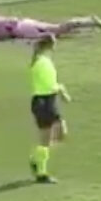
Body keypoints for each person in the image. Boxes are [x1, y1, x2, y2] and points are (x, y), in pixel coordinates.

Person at [28, 36, 71, 184]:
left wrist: (60, 89)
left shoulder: (42, 60)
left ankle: (36, 158)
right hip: (43, 102)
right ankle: (41, 173)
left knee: (60, 133)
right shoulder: (42, 63)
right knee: (47, 138)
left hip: (48, 101)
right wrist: (61, 90)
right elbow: (49, 85)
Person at [0, 10, 101, 41]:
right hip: (25, 25)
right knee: (58, 29)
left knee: (58, 30)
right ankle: (89, 21)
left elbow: (10, 22)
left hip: (23, 29)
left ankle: (89, 21)